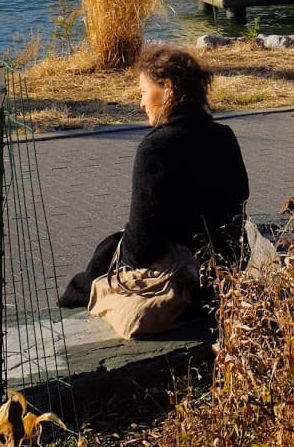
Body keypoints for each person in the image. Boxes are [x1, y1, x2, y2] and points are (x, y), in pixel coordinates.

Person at [58, 45, 250, 309]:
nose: (141, 103)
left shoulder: (155, 149)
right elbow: (237, 207)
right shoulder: (224, 136)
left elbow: (141, 247)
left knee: (85, 283)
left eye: (144, 92)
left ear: (168, 89)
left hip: (179, 281)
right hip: (224, 273)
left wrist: (117, 247)